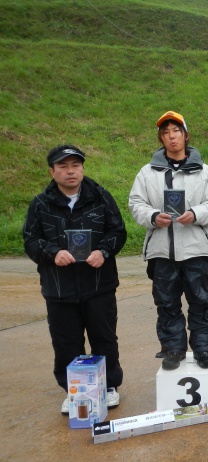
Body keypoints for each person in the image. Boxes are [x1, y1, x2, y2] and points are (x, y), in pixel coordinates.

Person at [23, 145, 126, 414]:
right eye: (64, 167)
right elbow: (31, 240)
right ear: (52, 171)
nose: (71, 171)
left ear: (82, 168)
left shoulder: (100, 197)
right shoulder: (41, 204)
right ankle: (74, 390)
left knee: (104, 338)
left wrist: (103, 251)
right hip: (59, 289)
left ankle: (109, 386)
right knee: (66, 341)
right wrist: (52, 253)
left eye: (76, 165)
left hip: (98, 284)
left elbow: (118, 231)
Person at [129, 111, 208, 371]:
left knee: (201, 301)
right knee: (167, 303)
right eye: (166, 132)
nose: (171, 137)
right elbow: (136, 203)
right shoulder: (147, 173)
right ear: (161, 138)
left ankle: (203, 348)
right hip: (161, 252)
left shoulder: (203, 172)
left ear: (185, 135)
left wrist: (195, 214)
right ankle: (173, 349)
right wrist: (151, 216)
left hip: (196, 250)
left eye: (176, 131)